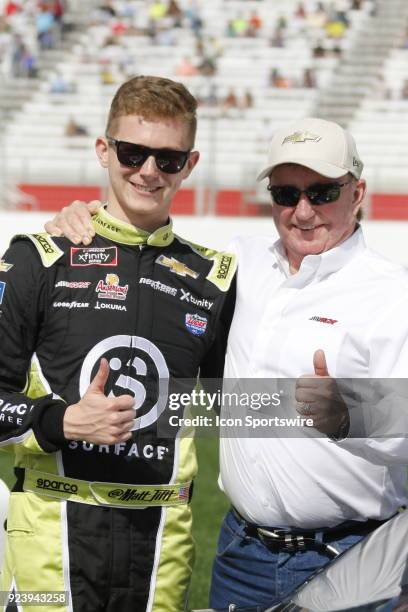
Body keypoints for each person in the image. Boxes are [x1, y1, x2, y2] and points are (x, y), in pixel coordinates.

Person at [44, 118, 408, 609]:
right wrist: (87, 215)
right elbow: (147, 249)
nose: (302, 212)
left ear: (357, 191)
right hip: (241, 553)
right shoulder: (241, 261)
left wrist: (352, 414)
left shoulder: (392, 292)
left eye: (322, 192)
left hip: (350, 554)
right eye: (285, 193)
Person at [0, 75, 236, 612]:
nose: (149, 171)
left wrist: (342, 410)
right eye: (133, 153)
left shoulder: (213, 279)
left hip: (160, 550)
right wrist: (58, 422)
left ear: (190, 165)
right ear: (104, 151)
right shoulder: (38, 259)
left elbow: (240, 406)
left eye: (168, 159)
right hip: (52, 544)